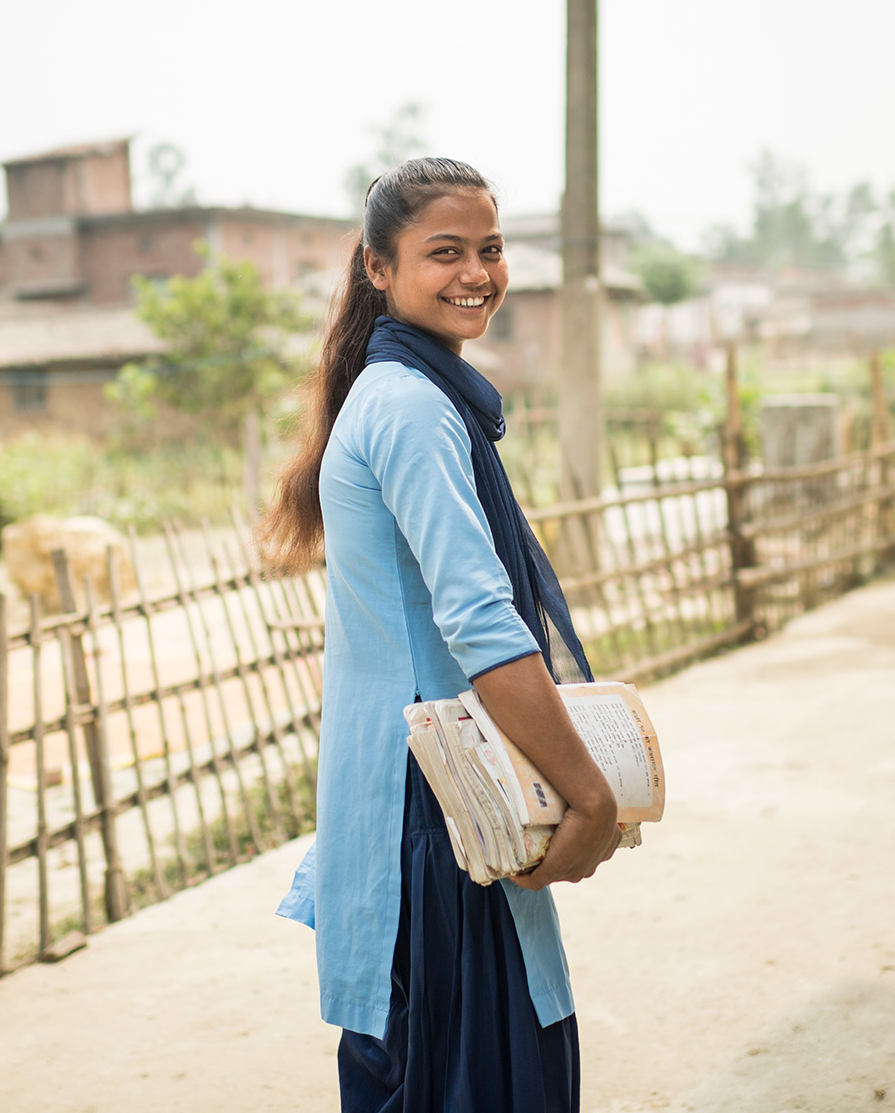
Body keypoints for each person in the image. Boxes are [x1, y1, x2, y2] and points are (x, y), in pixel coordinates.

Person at [261, 157, 622, 1113]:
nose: (477, 274)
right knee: (490, 1082)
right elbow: (478, 622)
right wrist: (588, 792)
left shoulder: (398, 396)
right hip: (443, 811)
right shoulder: (417, 409)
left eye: (491, 250)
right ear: (379, 269)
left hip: (415, 801)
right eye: (446, 253)